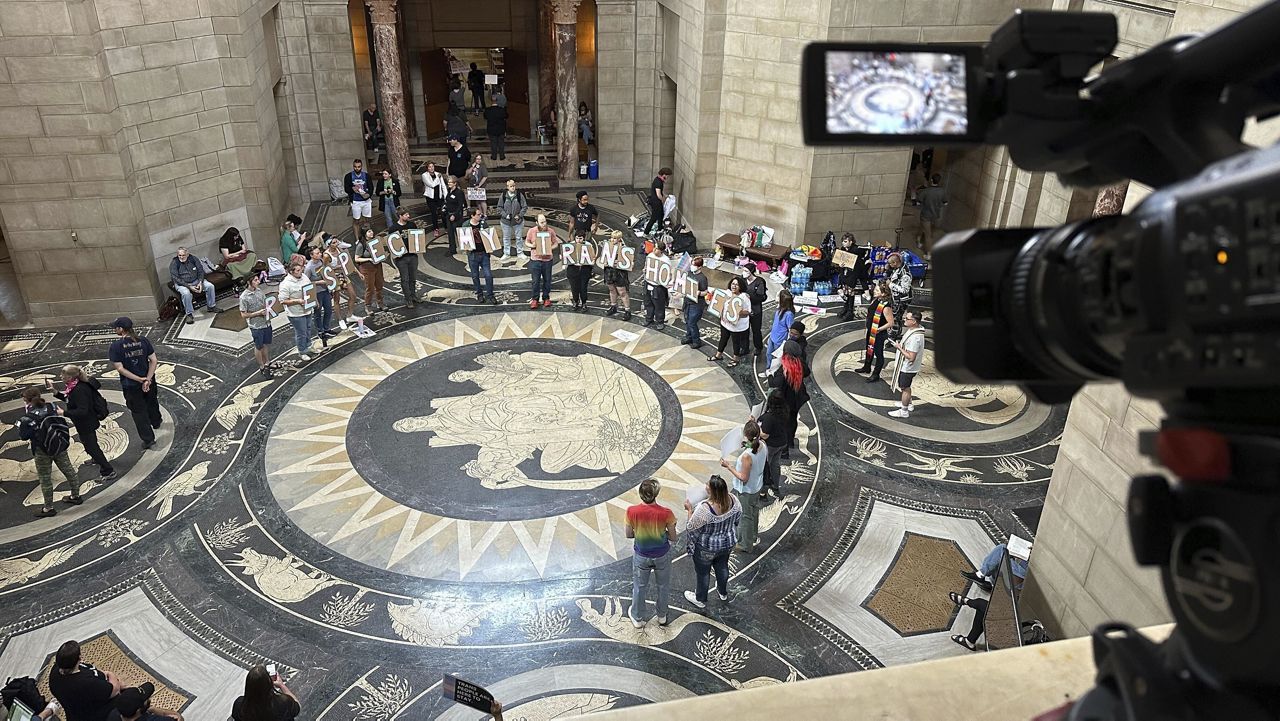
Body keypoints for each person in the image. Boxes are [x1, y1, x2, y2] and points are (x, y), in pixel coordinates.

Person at [46, 365, 115, 481]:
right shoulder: (74, 386)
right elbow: (70, 399)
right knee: (90, 444)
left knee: (92, 446)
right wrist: (55, 392)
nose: (60, 376)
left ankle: (108, 471)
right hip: (86, 422)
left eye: (63, 375)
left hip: (86, 423)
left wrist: (64, 413)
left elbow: (83, 411)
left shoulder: (79, 390)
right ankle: (96, 458)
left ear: (70, 377)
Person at [682, 475, 741, 609]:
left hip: (706, 548)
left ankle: (700, 599)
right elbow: (738, 518)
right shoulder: (734, 500)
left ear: (712, 491)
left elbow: (691, 527)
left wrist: (689, 510)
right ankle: (722, 591)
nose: (705, 486)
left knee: (703, 573)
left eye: (707, 485)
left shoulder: (704, 509)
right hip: (727, 543)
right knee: (722, 567)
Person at [48, 640, 146, 721]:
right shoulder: (86, 683)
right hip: (98, 714)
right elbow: (114, 690)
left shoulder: (55, 673)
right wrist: (111, 675)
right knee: (138, 693)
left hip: (75, 713)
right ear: (79, 658)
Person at [18, 388, 79, 518]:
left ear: (27, 401)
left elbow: (23, 436)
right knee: (68, 469)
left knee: (45, 478)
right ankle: (76, 496)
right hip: (58, 444)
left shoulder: (26, 418)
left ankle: (48, 508)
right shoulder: (52, 406)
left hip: (41, 450)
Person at [625, 478, 677, 628]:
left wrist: (642, 533)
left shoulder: (631, 511)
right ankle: (662, 615)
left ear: (640, 494)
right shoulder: (667, 513)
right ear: (656, 494)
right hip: (662, 555)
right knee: (663, 586)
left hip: (642, 555)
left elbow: (629, 534)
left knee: (639, 586)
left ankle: (637, 617)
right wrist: (663, 534)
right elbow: (673, 537)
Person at [108, 317, 160, 451]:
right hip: (149, 380)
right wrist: (148, 379)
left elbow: (120, 369)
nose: (115, 329)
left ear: (120, 329)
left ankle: (149, 440)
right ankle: (156, 421)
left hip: (131, 385)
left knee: (138, 412)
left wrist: (139, 379)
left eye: (116, 327)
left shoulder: (116, 347)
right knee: (152, 401)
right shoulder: (143, 340)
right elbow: (153, 360)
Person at [721, 420, 766, 553]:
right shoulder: (762, 444)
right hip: (757, 485)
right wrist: (746, 444)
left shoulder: (747, 457)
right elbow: (754, 448)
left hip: (747, 490)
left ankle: (745, 544)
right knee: (754, 511)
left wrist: (729, 466)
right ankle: (753, 535)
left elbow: (743, 477)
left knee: (746, 517)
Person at [768, 340, 810, 453]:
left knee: (783, 425)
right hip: (797, 398)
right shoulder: (799, 363)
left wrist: (770, 375)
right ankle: (790, 442)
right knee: (792, 421)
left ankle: (784, 450)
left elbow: (775, 383)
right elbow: (807, 372)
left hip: (785, 401)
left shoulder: (784, 370)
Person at [855, 280, 895, 382]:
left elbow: (891, 323)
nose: (874, 291)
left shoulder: (886, 307)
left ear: (884, 293)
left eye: (877, 290)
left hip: (879, 333)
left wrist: (879, 329)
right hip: (871, 330)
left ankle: (876, 374)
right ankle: (867, 367)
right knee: (869, 349)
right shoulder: (875, 300)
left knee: (878, 353)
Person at [889, 309, 926, 419]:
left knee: (905, 388)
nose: (904, 319)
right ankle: (908, 404)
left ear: (914, 321)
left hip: (908, 368)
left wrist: (899, 347)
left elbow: (911, 357)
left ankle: (904, 411)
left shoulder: (915, 338)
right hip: (907, 367)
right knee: (906, 387)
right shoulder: (915, 329)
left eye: (907, 318)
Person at [168, 247, 218, 325]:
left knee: (210, 286)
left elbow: (200, 271)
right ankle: (189, 314)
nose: (181, 257)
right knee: (186, 293)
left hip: (196, 280)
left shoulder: (193, 259)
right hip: (182, 284)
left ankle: (211, 306)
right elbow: (176, 278)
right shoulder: (174, 263)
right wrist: (189, 286)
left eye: (183, 255)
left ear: (187, 254)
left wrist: (200, 282)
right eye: (179, 255)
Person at [230, 666, 300, 721]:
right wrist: (281, 685)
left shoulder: (239, 705)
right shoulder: (283, 703)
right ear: (269, 684)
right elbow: (297, 707)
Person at [278, 262, 316, 361]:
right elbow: (283, 300)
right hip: (296, 313)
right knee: (301, 332)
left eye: (301, 270)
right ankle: (302, 350)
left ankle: (308, 345)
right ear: (291, 272)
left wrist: (313, 300)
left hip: (307, 309)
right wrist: (297, 301)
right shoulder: (286, 284)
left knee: (308, 328)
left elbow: (309, 288)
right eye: (298, 270)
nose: (301, 272)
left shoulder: (303, 277)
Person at [239, 273, 274, 378]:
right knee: (259, 346)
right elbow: (243, 314)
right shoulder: (244, 297)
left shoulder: (259, 291)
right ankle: (262, 366)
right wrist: (258, 313)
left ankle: (267, 362)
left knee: (265, 344)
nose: (258, 282)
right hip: (256, 325)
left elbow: (265, 304)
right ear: (249, 282)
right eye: (255, 280)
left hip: (266, 322)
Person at [709, 277, 750, 366]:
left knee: (736, 342)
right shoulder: (727, 293)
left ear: (740, 286)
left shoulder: (744, 297)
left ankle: (735, 358)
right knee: (723, 338)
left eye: (736, 284)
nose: (734, 286)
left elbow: (747, 312)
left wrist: (738, 312)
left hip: (737, 326)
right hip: (725, 323)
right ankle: (718, 355)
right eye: (733, 284)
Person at [756, 393, 790, 500]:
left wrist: (756, 427)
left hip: (771, 446)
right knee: (775, 465)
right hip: (782, 442)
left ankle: (763, 493)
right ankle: (775, 486)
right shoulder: (785, 411)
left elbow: (764, 435)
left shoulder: (770, 418)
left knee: (765, 468)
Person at [524, 214, 559, 308]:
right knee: (535, 281)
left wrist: (550, 248)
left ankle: (546, 298)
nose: (544, 224)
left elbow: (556, 243)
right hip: (536, 259)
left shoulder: (551, 231)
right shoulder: (532, 231)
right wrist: (533, 246)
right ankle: (535, 299)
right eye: (542, 222)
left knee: (547, 280)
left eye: (545, 221)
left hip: (547, 260)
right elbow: (527, 242)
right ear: (537, 223)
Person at [962, 543, 1028, 592]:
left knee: (1002, 548)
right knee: (1001, 558)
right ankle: (993, 584)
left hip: (1024, 576)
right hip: (1024, 571)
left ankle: (981, 575)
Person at [389, 207, 421, 308]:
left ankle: (413, 296)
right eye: (406, 215)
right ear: (400, 216)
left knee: (413, 278)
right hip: (401, 258)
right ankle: (408, 299)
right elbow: (391, 244)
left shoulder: (412, 225)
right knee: (405, 279)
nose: (409, 216)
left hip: (412, 256)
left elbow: (417, 239)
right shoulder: (393, 228)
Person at [465, 208, 498, 304]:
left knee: (488, 275)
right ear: (472, 215)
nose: (480, 216)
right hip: (473, 255)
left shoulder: (484, 224)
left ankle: (490, 295)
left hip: (484, 254)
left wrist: (490, 248)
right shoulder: (466, 225)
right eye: (478, 214)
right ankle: (479, 294)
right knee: (475, 276)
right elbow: (463, 240)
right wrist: (467, 248)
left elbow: (489, 237)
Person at [324, 234, 356, 329]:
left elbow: (347, 261)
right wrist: (338, 267)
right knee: (336, 299)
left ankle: (350, 315)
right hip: (335, 277)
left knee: (353, 295)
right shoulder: (326, 255)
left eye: (336, 242)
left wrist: (357, 272)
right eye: (333, 243)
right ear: (329, 244)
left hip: (343, 275)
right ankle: (340, 319)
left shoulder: (339, 249)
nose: (336, 243)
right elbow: (326, 269)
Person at [303, 247, 335, 339]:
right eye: (316, 253)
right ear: (311, 255)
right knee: (318, 312)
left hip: (325, 290)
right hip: (317, 292)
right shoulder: (309, 268)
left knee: (328, 310)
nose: (320, 254)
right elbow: (306, 282)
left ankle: (326, 328)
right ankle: (320, 331)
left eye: (319, 252)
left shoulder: (321, 261)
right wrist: (319, 282)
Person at [761, 289, 795, 374]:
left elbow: (790, 328)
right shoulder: (779, 309)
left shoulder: (788, 314)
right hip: (773, 337)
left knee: (777, 359)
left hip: (780, 340)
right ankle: (768, 370)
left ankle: (774, 373)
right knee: (768, 354)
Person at [601, 230, 632, 320]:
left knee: (622, 292)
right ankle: (613, 306)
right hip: (609, 271)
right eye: (612, 238)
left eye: (614, 238)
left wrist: (618, 263)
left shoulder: (624, 248)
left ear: (619, 239)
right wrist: (606, 262)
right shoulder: (608, 246)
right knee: (611, 289)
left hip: (620, 272)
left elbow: (629, 263)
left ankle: (627, 310)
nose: (612, 240)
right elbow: (603, 258)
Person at [353, 226, 385, 312]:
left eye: (371, 231)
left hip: (377, 266)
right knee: (370, 288)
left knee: (379, 285)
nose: (372, 233)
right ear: (365, 234)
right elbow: (356, 258)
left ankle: (380, 302)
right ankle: (368, 305)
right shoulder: (361, 245)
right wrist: (369, 259)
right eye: (369, 232)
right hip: (367, 268)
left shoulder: (375, 241)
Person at [496, 179, 528, 260]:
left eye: (514, 186)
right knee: (506, 238)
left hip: (518, 222)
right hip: (506, 222)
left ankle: (520, 252)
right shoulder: (503, 195)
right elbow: (499, 207)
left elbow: (524, 207)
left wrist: (520, 215)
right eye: (511, 186)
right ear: (507, 187)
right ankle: (506, 253)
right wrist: (505, 215)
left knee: (519, 238)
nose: (513, 188)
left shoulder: (519, 195)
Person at [680, 256, 708, 348]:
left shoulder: (702, 278)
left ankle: (696, 340)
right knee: (687, 320)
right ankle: (689, 336)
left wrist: (698, 292)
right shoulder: (689, 273)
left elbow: (705, 292)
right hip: (688, 301)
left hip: (697, 304)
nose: (692, 267)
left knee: (692, 322)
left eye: (694, 265)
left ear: (699, 267)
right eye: (691, 265)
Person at [917, 173, 946, 258]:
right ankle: (919, 240)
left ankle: (928, 254)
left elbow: (918, 201)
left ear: (931, 180)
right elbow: (945, 202)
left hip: (926, 214)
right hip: (935, 215)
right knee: (925, 228)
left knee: (928, 235)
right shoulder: (942, 191)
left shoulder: (926, 191)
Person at [344, 159, 373, 239]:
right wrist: (352, 189)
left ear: (361, 167)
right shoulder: (348, 176)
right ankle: (357, 239)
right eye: (355, 167)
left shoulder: (366, 176)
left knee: (367, 219)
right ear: (353, 167)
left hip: (366, 201)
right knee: (356, 220)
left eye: (359, 167)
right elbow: (346, 189)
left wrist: (368, 195)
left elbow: (371, 188)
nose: (357, 168)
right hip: (355, 201)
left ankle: (368, 237)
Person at [642, 241, 669, 328]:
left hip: (658, 286)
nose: (654, 249)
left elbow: (666, 274)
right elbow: (646, 266)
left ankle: (660, 321)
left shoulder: (666, 260)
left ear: (661, 250)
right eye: (654, 247)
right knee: (648, 302)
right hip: (648, 282)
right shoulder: (650, 255)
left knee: (659, 305)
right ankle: (649, 319)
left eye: (656, 248)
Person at [565, 231, 593, 312]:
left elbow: (592, 256)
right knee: (574, 287)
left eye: (580, 238)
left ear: (584, 238)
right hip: (573, 269)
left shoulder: (588, 245)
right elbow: (566, 256)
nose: (578, 240)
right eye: (577, 238)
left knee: (583, 287)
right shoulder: (570, 246)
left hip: (584, 269)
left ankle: (584, 303)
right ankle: (576, 301)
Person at [743, 264, 767, 356]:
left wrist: (749, 297)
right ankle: (744, 347)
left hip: (755, 309)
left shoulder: (759, 282)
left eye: (746, 271)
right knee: (744, 329)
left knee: (756, 330)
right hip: (744, 309)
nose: (744, 273)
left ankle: (758, 347)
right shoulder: (743, 280)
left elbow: (761, 297)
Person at [639, 167, 671, 237]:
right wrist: (663, 200)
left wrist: (665, 196)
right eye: (667, 176)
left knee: (661, 215)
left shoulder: (658, 179)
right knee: (654, 218)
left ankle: (660, 228)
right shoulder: (658, 182)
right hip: (656, 202)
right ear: (664, 175)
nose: (667, 177)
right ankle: (646, 232)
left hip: (656, 201)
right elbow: (658, 194)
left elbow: (660, 192)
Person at [421, 162, 447, 239]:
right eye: (430, 167)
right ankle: (436, 229)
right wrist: (437, 178)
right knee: (434, 213)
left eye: (432, 166)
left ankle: (446, 227)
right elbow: (432, 185)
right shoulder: (424, 175)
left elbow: (443, 186)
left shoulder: (438, 174)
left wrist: (446, 196)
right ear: (427, 168)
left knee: (443, 212)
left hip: (439, 197)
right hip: (430, 198)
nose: (431, 168)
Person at [886, 252, 913, 326]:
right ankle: (897, 333)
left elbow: (905, 290)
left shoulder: (904, 274)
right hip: (897, 298)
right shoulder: (898, 268)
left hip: (902, 299)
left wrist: (890, 284)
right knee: (897, 317)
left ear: (895, 263)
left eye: (890, 263)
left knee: (895, 318)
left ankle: (893, 336)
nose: (890, 265)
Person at [443, 176, 466, 254]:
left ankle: (466, 248)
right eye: (448, 182)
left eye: (450, 182)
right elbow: (447, 201)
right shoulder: (449, 191)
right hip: (448, 215)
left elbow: (461, 205)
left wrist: (455, 215)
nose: (448, 183)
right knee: (450, 233)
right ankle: (452, 250)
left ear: (455, 183)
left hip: (456, 216)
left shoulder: (459, 192)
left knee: (459, 233)